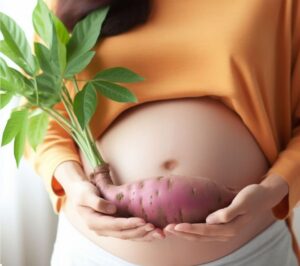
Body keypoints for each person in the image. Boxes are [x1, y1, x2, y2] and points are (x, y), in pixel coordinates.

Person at [25, 0, 300, 265]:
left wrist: (273, 190)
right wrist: (73, 185)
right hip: (97, 254)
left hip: (246, 254)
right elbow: (42, 111)